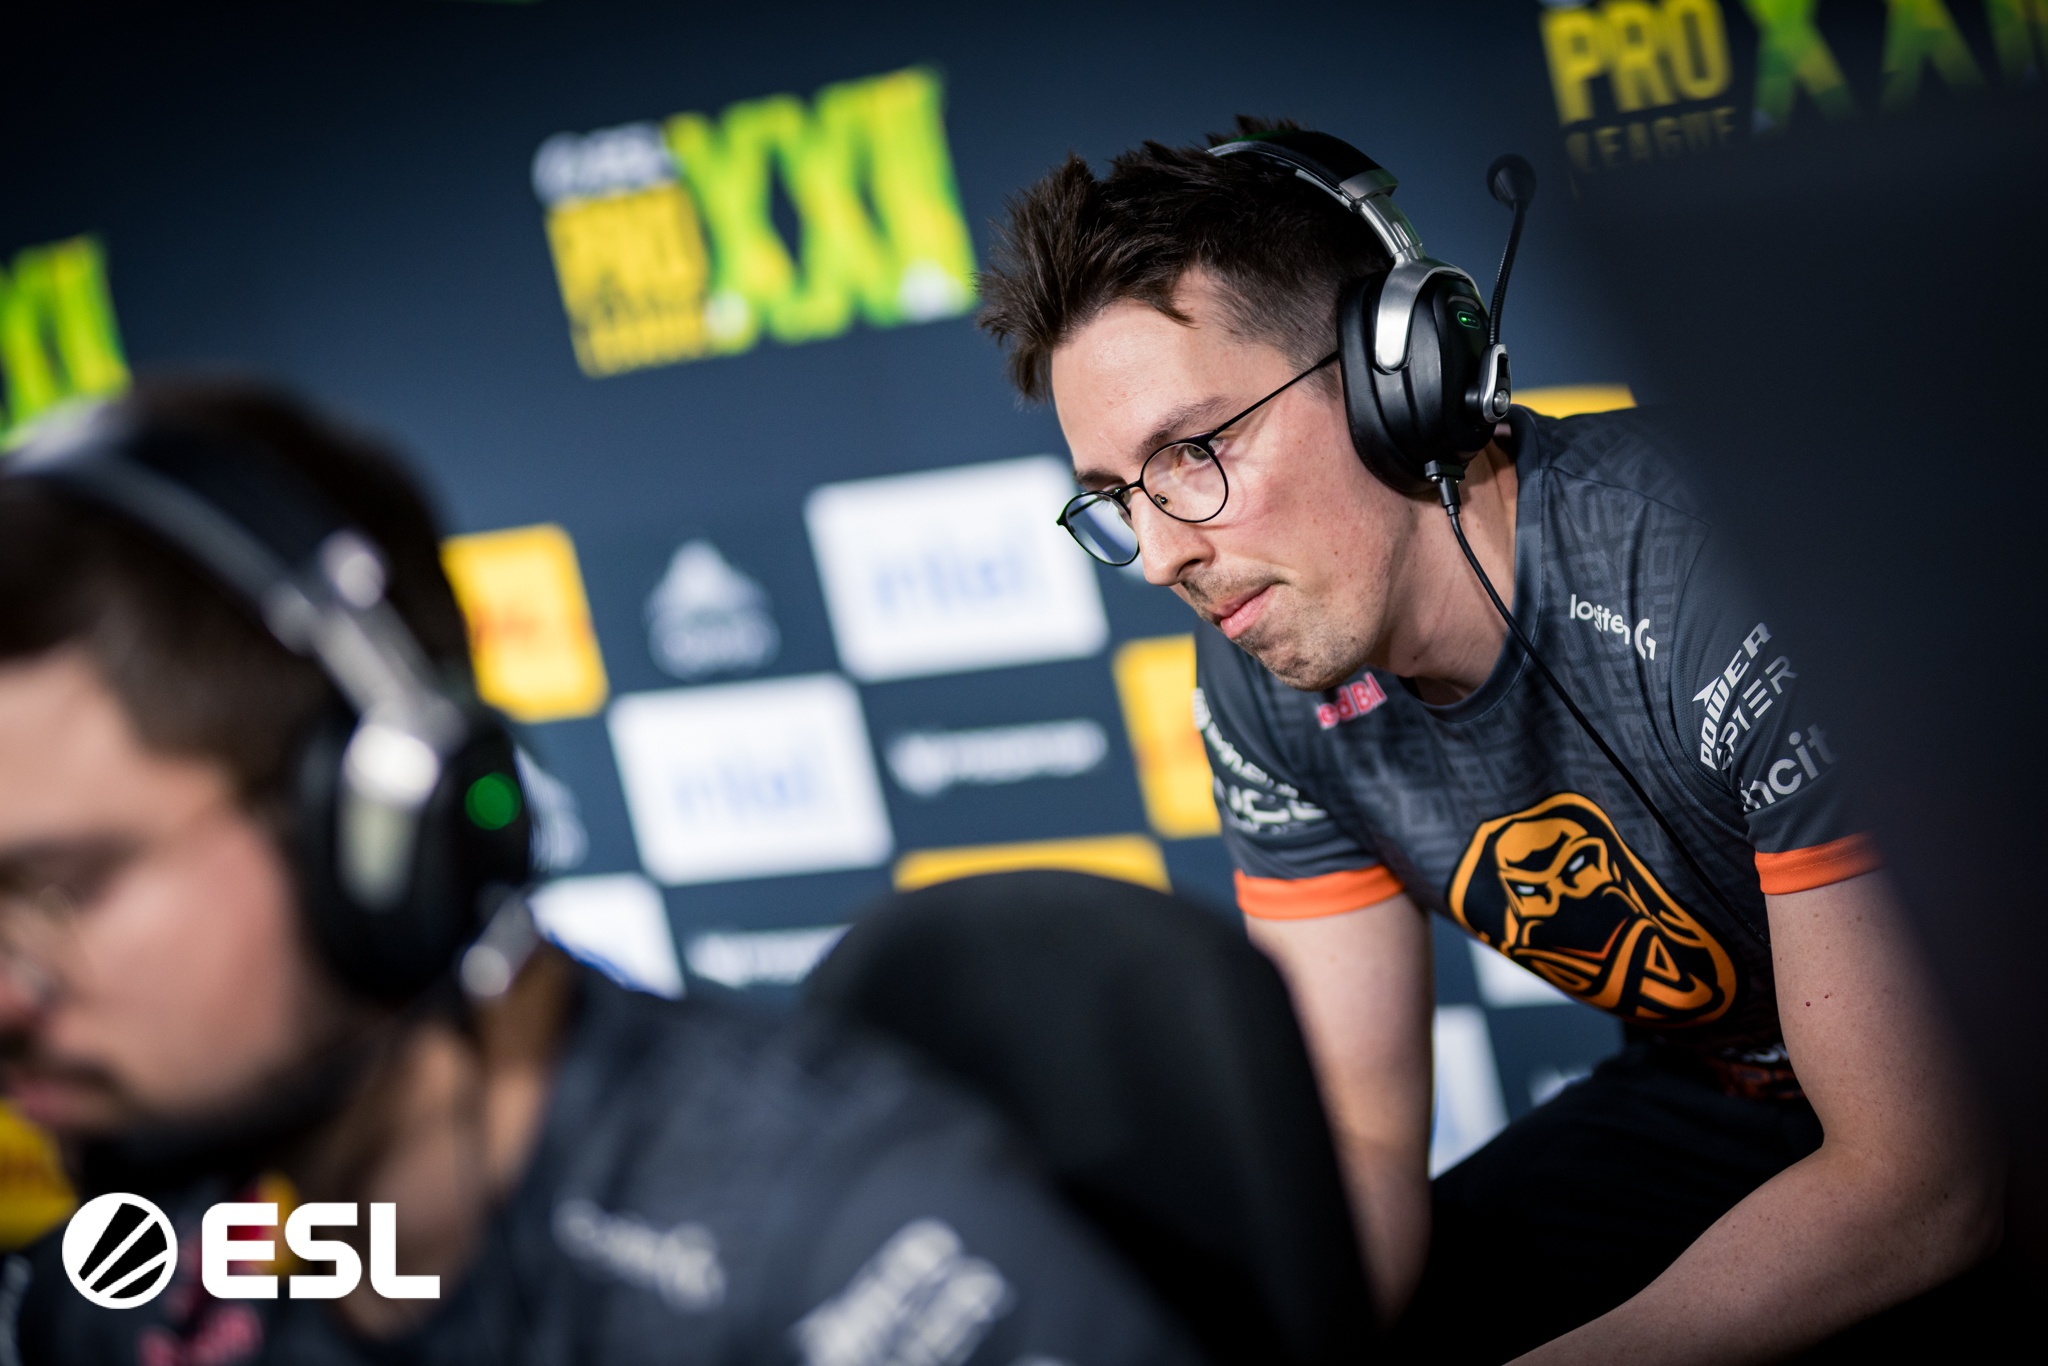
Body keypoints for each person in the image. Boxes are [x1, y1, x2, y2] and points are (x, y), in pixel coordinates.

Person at [977, 120, 2001, 1363]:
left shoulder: (1708, 570)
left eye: (1192, 453)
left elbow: (1921, 1182)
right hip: (1713, 1096)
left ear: (1394, 378)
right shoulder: (1264, 664)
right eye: (1114, 497)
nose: (1157, 557)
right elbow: (1360, 1139)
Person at [0, 382, 1204, 1365]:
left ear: (377, 831)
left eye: (57, 887)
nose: (7, 996)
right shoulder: (120, 1290)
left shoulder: (845, 1258)